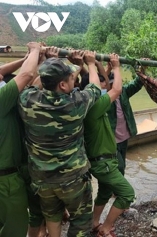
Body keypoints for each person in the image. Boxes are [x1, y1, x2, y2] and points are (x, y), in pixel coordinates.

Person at [18, 51, 101, 237]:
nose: (75, 79)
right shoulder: (76, 103)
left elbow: (34, 82)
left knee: (52, 218)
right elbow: (95, 88)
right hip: (73, 179)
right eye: (72, 78)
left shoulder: (27, 101)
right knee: (80, 221)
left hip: (42, 180)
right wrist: (91, 63)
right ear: (63, 85)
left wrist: (47, 62)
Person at [80, 55, 135, 237]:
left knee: (104, 191)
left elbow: (108, 87)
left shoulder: (85, 103)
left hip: (100, 161)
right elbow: (116, 89)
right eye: (102, 83)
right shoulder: (95, 107)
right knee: (127, 194)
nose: (105, 86)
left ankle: (95, 222)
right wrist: (117, 67)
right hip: (103, 163)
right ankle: (105, 228)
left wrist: (97, 65)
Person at [0, 42, 40, 237]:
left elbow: (31, 83)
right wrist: (36, 50)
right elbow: (27, 76)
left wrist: (29, 59)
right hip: (5, 181)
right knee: (15, 229)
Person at [107, 67, 145, 176]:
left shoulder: (124, 92)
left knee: (122, 164)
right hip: (112, 139)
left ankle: (117, 190)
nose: (115, 86)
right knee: (119, 166)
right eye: (111, 84)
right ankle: (119, 190)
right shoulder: (104, 98)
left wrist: (142, 70)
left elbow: (137, 83)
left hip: (124, 137)